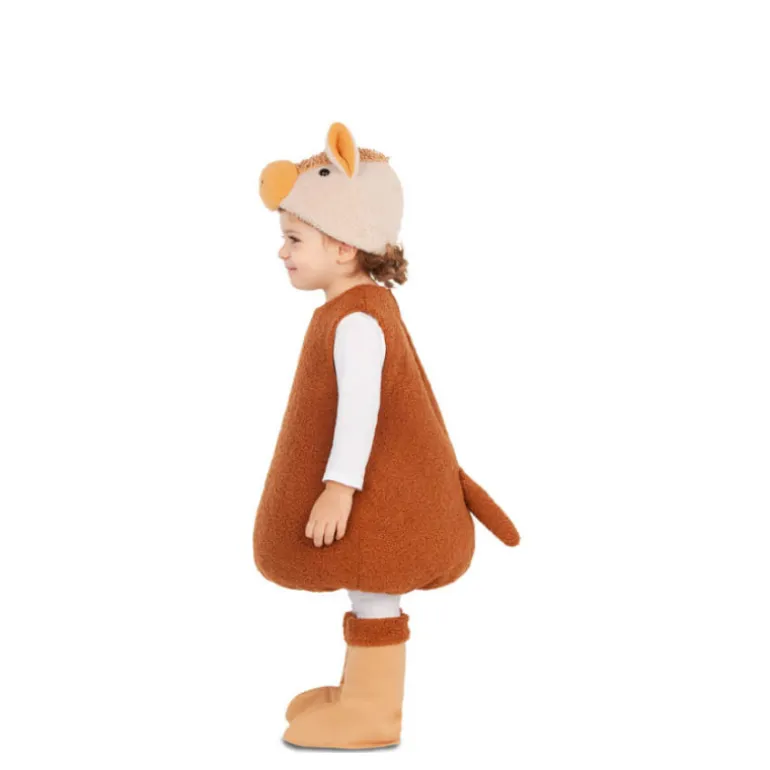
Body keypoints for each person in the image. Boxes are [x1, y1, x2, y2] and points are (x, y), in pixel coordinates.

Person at [254, 121, 520, 750]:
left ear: (344, 246)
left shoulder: (358, 321)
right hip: (379, 489)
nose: (282, 252)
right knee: (366, 583)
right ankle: (357, 694)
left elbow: (361, 410)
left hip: (381, 494)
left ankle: (372, 716)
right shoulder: (354, 311)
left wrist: (339, 487)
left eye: (294, 238)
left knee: (376, 585)